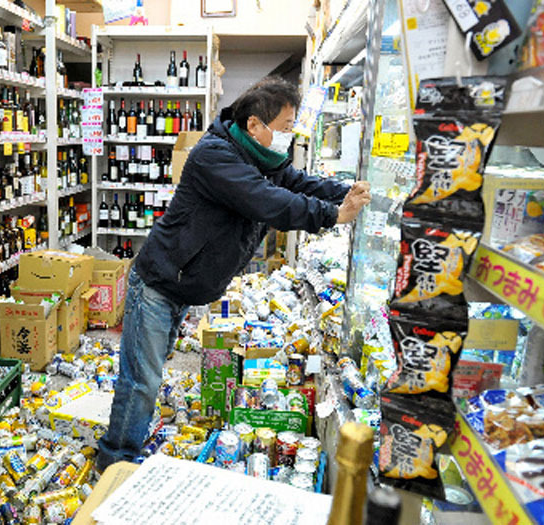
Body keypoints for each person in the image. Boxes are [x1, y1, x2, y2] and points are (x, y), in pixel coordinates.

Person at [96, 77, 371, 471]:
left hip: (182, 283)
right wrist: (332, 215)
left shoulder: (262, 157)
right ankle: (115, 461)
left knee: (149, 373)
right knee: (141, 380)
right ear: (255, 125)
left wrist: (343, 191)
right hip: (159, 281)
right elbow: (266, 201)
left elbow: (297, 182)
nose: (290, 136)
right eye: (286, 127)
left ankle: (130, 440)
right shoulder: (215, 156)